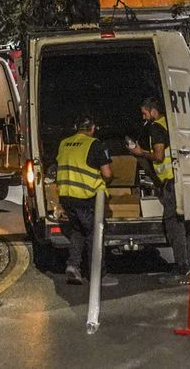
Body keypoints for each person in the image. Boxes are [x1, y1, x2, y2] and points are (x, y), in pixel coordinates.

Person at [127, 97, 189, 283]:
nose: (143, 117)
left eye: (145, 113)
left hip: (170, 182)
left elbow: (159, 155)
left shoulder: (156, 128)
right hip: (178, 180)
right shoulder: (170, 123)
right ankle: (185, 263)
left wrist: (140, 153)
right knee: (181, 223)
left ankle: (181, 268)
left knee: (173, 225)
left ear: (154, 111)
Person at [56, 115, 115, 286]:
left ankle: (73, 266)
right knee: (94, 235)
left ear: (77, 128)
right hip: (86, 197)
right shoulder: (94, 144)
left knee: (77, 231)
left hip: (67, 197)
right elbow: (107, 174)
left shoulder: (64, 143)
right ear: (92, 128)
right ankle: (99, 275)